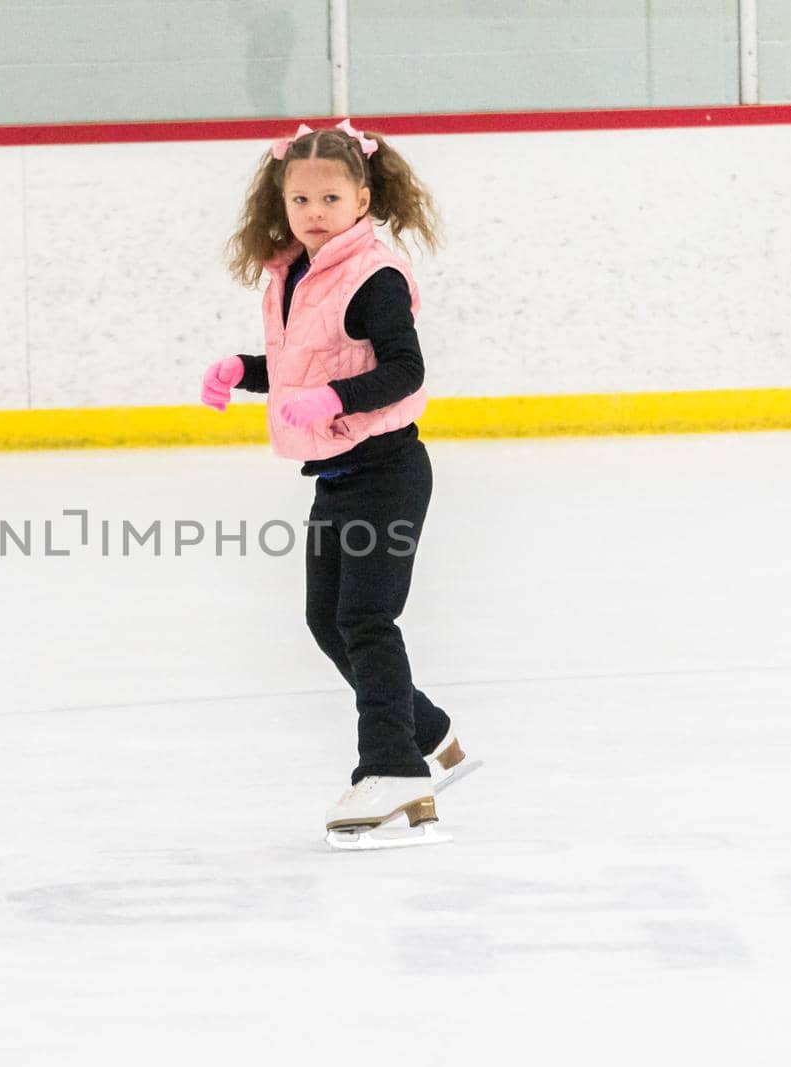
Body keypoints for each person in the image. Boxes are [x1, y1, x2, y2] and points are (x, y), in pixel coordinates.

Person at [201, 120, 469, 848]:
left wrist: (336, 401)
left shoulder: (371, 275)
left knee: (367, 620)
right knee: (329, 620)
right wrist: (245, 370)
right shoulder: (295, 272)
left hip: (388, 471)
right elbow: (305, 365)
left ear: (362, 196)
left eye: (329, 195)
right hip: (338, 476)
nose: (313, 210)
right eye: (299, 198)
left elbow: (403, 370)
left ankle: (392, 765)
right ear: (280, 201)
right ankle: (432, 735)